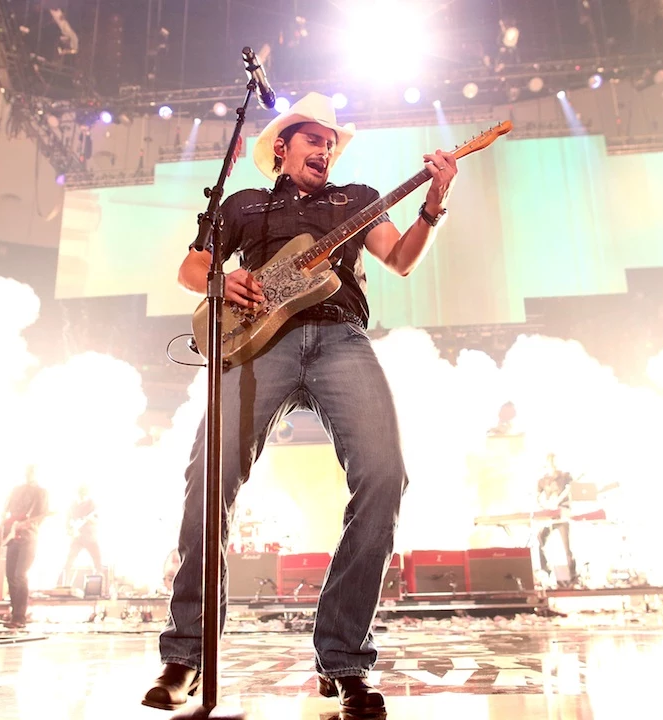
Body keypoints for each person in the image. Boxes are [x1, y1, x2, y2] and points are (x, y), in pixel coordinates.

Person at [143, 92, 458, 715]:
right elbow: (191, 268)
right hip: (259, 341)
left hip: (340, 337)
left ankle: (343, 660)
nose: (325, 149)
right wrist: (220, 279)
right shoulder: (243, 205)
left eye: (331, 143)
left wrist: (434, 202)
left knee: (384, 476)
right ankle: (187, 654)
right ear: (282, 148)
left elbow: (399, 260)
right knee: (208, 479)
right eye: (314, 139)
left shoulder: (357, 198)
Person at [0, 465, 50, 628]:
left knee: (20, 575)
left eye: (32, 472)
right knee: (10, 576)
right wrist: (6, 527)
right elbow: (6, 511)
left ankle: (20, 617)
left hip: (28, 536)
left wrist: (27, 524)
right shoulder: (16, 490)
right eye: (27, 472)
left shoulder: (41, 492)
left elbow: (42, 515)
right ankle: (15, 613)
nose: (29, 475)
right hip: (12, 536)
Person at [536, 453, 577, 585]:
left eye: (555, 462)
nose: (553, 465)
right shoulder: (543, 480)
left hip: (563, 514)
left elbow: (569, 490)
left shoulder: (565, 476)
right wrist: (545, 505)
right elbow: (538, 497)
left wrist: (557, 501)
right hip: (550, 514)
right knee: (540, 540)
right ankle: (546, 570)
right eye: (551, 462)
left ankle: (572, 575)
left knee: (567, 546)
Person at [62, 484, 102, 582]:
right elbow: (67, 521)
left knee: (98, 563)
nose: (81, 496)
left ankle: (98, 585)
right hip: (77, 537)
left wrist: (89, 519)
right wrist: (70, 530)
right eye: (80, 494)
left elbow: (97, 520)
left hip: (90, 537)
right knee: (68, 563)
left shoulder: (93, 504)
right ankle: (65, 585)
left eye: (83, 494)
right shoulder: (72, 505)